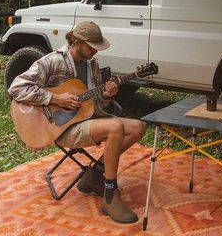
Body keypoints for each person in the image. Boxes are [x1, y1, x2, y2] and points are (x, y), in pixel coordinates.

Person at [8, 21, 146, 224]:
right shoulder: (53, 61)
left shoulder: (92, 65)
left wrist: (106, 95)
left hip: (86, 120)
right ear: (77, 41)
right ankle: (109, 193)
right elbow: (16, 88)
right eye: (92, 46)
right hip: (60, 128)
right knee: (116, 127)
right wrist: (54, 99)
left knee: (138, 126)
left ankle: (94, 175)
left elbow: (94, 105)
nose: (95, 51)